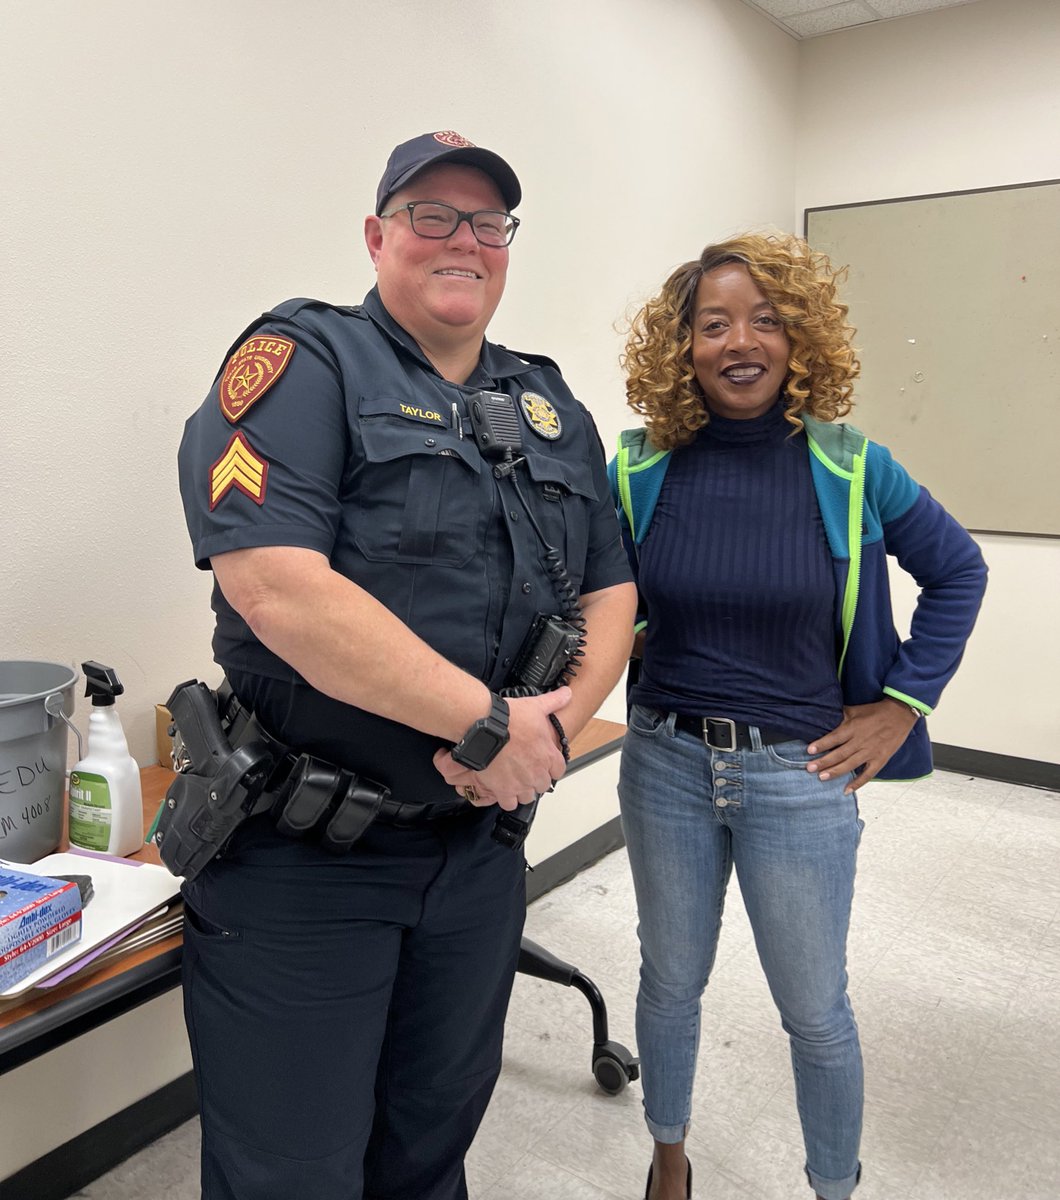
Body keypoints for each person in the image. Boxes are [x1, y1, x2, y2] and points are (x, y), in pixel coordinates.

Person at [174, 130, 636, 1200]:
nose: (462, 240)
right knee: (292, 1174)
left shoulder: (550, 405)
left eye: (487, 223)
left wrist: (546, 737)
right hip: (305, 859)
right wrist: (486, 725)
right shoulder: (304, 361)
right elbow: (274, 584)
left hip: (475, 857)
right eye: (433, 215)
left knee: (429, 1154)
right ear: (378, 235)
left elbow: (613, 588)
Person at [607, 232, 987, 1200]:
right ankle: (667, 1162)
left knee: (814, 1012)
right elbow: (600, 596)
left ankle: (830, 1187)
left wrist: (902, 703)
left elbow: (956, 570)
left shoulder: (850, 467)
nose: (742, 341)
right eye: (714, 322)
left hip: (799, 773)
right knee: (668, 983)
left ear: (798, 338)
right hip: (664, 764)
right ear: (681, 345)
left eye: (766, 320)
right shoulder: (640, 469)